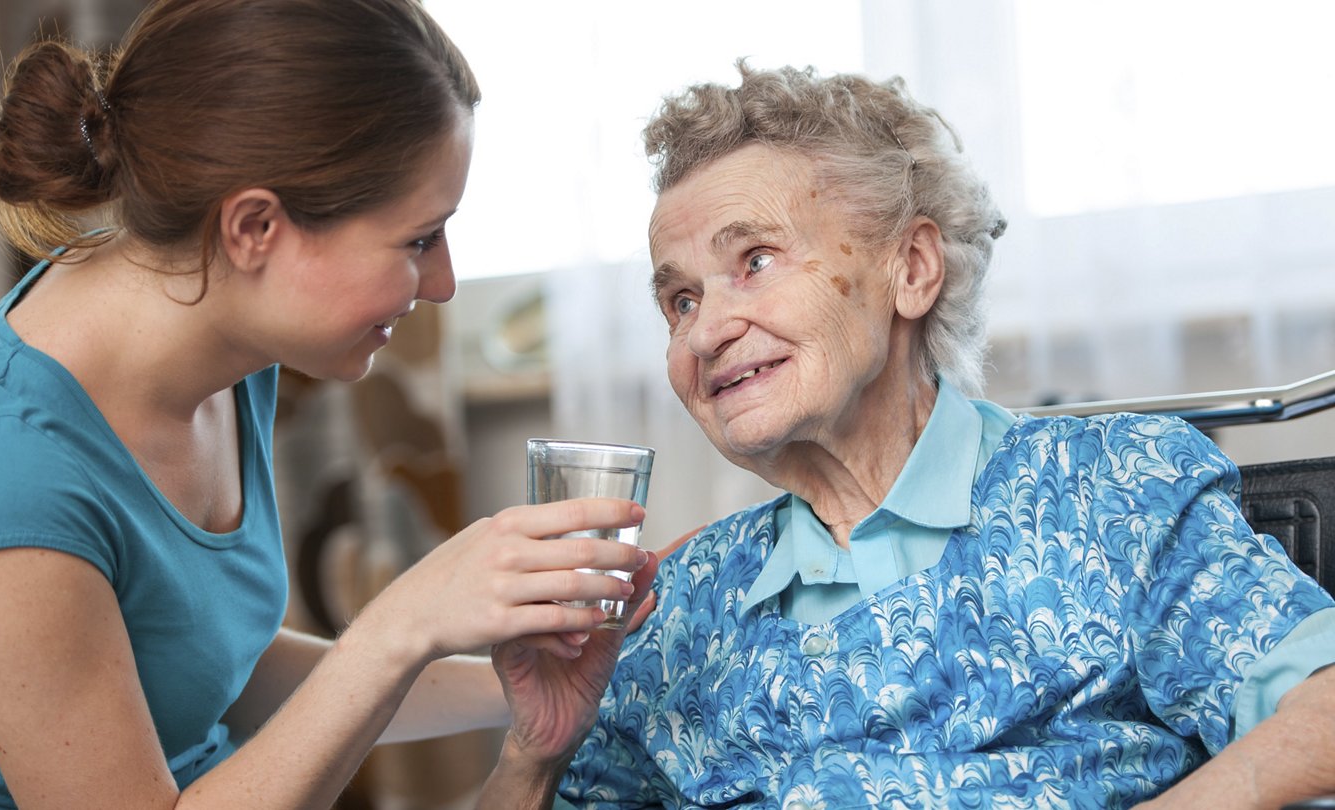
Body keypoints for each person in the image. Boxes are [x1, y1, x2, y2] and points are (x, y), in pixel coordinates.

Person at [489, 63, 1335, 808]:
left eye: (754, 260)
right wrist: (534, 754)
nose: (705, 332)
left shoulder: (1112, 494)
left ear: (913, 269)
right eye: (679, 301)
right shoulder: (684, 601)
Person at [0, 1, 658, 806]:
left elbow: (208, 664)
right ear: (255, 227)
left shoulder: (223, 338)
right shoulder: (5, 475)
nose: (443, 285)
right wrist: (402, 624)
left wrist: (536, 684)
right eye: (418, 241)